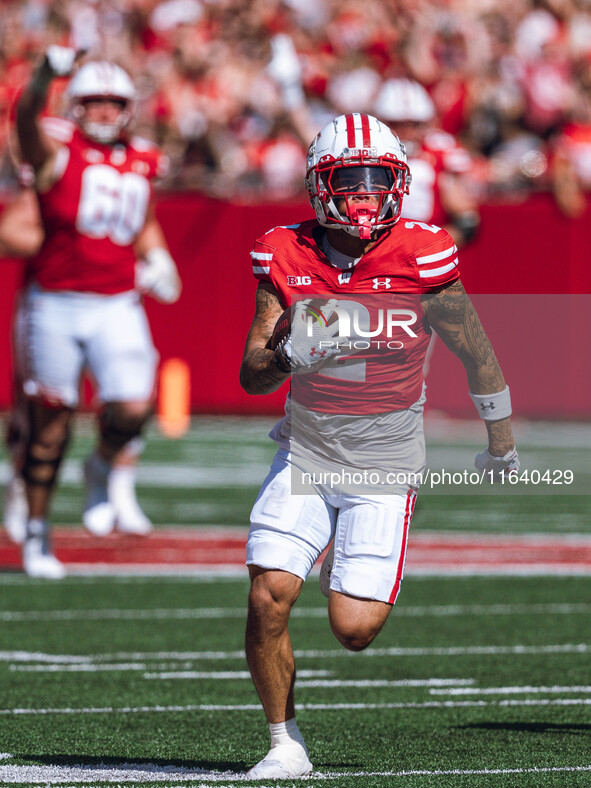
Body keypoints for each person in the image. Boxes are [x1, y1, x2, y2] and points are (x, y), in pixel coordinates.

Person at [239, 112, 518, 779]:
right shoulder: (284, 250)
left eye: (376, 180)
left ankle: (360, 559)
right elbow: (250, 373)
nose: (364, 196)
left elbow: (476, 353)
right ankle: (284, 744)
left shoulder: (421, 251)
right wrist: (285, 354)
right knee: (268, 592)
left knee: (353, 631)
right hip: (304, 451)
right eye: (349, 180)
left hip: (384, 461)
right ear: (317, 185)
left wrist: (500, 447)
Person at [13, 46, 181, 578]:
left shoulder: (143, 158)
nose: (106, 112)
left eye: (114, 102)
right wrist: (42, 78)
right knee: (50, 424)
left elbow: (144, 218)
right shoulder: (58, 150)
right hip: (56, 302)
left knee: (134, 407)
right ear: (76, 105)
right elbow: (24, 119)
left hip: (117, 301)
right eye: (94, 102)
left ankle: (102, 464)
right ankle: (38, 534)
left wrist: (157, 256)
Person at [374, 77, 480, 248]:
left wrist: (426, 247)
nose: (406, 132)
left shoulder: (439, 151)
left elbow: (466, 220)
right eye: (397, 124)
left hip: (423, 247)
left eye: (413, 125)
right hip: (376, 246)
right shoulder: (367, 152)